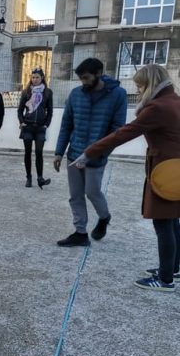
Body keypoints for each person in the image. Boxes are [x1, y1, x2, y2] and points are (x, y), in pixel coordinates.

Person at [73, 64, 180, 292]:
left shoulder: (158, 107)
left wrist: (90, 151)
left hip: (165, 171)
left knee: (163, 223)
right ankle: (172, 269)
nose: (138, 91)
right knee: (173, 222)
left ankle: (165, 280)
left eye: (140, 86)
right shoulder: (174, 100)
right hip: (175, 169)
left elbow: (123, 133)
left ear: (151, 84)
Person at [54, 57, 127, 247]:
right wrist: (59, 152)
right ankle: (80, 233)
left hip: (96, 157)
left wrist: (101, 153)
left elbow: (117, 130)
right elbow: (66, 125)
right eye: (81, 79)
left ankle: (104, 217)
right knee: (75, 195)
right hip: (74, 153)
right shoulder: (76, 94)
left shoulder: (118, 95)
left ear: (99, 74)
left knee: (92, 192)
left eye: (86, 78)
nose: (83, 82)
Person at [17, 68, 53, 188]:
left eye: (37, 77)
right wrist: (22, 122)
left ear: (42, 78)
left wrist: (46, 124)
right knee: (27, 152)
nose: (35, 79)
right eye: (33, 77)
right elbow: (20, 109)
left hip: (40, 128)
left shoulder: (47, 92)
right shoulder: (26, 92)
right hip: (28, 127)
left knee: (39, 152)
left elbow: (50, 111)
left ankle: (40, 178)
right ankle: (29, 177)